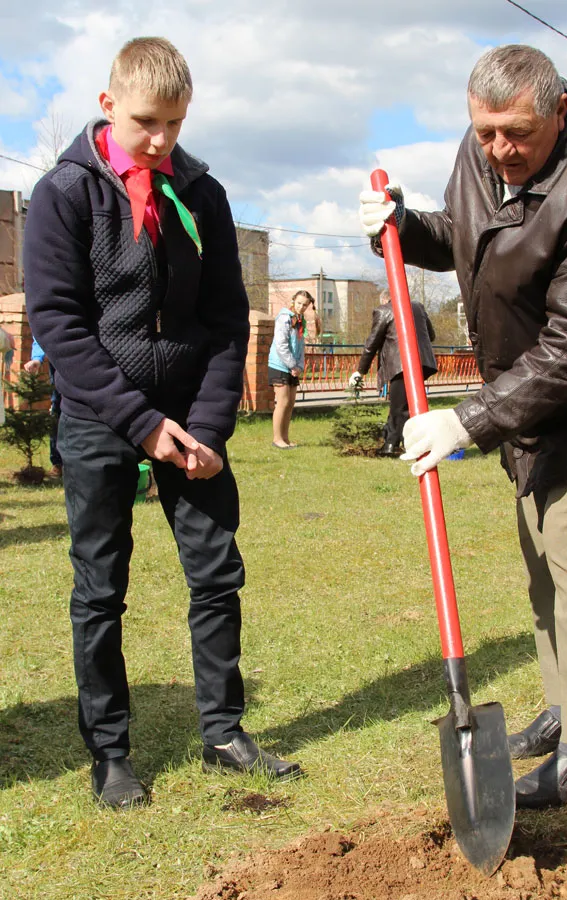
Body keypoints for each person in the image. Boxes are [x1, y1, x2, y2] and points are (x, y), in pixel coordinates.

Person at [359, 44, 567, 809]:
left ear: (558, 108)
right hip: (526, 386)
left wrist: (467, 420)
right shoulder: (486, 154)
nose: (498, 149)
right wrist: (403, 226)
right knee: (540, 552)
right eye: (485, 131)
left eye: (516, 134)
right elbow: (470, 239)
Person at [24, 36, 302, 809]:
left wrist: (208, 430)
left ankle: (224, 733)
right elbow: (61, 325)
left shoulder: (202, 195)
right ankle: (110, 754)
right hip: (98, 417)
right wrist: (142, 425)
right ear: (108, 105)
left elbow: (222, 321)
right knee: (100, 588)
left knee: (217, 575)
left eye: (176, 124)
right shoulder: (63, 195)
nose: (162, 140)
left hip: (192, 421)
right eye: (147, 122)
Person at [349, 289, 437, 456]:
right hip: (423, 362)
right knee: (408, 404)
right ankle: (406, 441)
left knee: (400, 407)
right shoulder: (418, 307)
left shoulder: (384, 311)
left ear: (385, 300)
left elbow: (371, 343)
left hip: (401, 364)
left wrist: (360, 371)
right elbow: (431, 335)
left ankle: (391, 445)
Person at [268, 289, 317, 448]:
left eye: (305, 305)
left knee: (290, 403)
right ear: (293, 301)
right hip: (280, 365)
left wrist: (300, 366)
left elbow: (300, 345)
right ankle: (277, 439)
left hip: (293, 367)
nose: (301, 307)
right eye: (299, 303)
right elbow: (281, 345)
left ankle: (286, 438)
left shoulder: (299, 320)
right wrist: (292, 365)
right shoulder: (284, 318)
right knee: (282, 402)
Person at [24, 337, 63, 478]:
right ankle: (58, 463)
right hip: (58, 363)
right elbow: (41, 331)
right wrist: (37, 358)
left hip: (85, 359)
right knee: (57, 409)